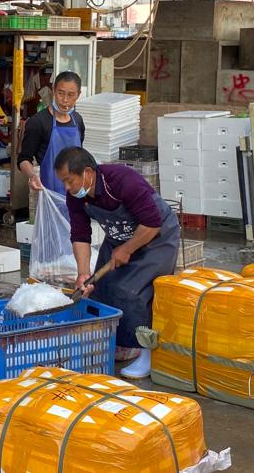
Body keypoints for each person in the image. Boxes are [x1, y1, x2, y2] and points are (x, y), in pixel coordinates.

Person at [55, 146, 179, 380]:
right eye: (63, 182)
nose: (67, 188)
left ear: (88, 173)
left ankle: (147, 354)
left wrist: (128, 249)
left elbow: (152, 223)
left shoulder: (122, 180)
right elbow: (80, 235)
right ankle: (122, 342)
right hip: (119, 237)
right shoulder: (76, 198)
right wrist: (83, 272)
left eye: (69, 181)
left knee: (133, 293)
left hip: (155, 236)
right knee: (102, 289)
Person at [17, 71, 85, 197]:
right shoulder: (38, 122)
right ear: (53, 90)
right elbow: (23, 159)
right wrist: (32, 176)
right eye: (60, 93)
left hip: (75, 194)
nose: (65, 100)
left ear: (78, 95)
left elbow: (80, 156)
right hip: (49, 193)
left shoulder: (78, 120)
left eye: (71, 95)